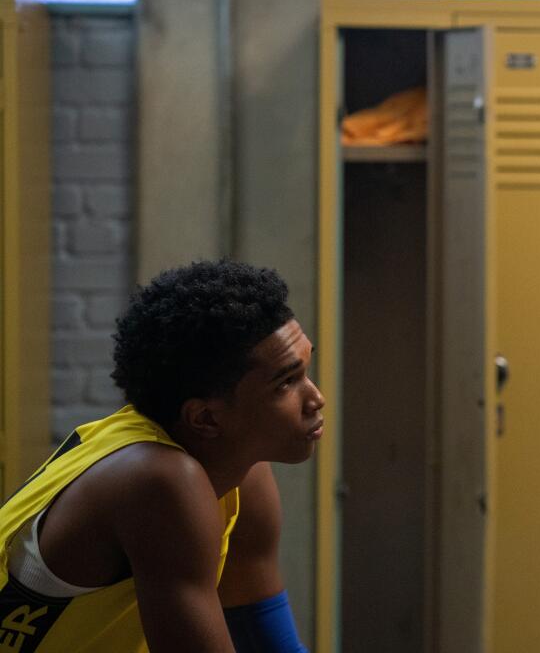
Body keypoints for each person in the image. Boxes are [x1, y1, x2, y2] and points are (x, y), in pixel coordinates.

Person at [0, 260, 322, 652]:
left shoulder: (239, 470)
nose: (315, 398)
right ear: (204, 417)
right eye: (286, 383)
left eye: (305, 371)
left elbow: (264, 636)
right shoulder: (158, 481)